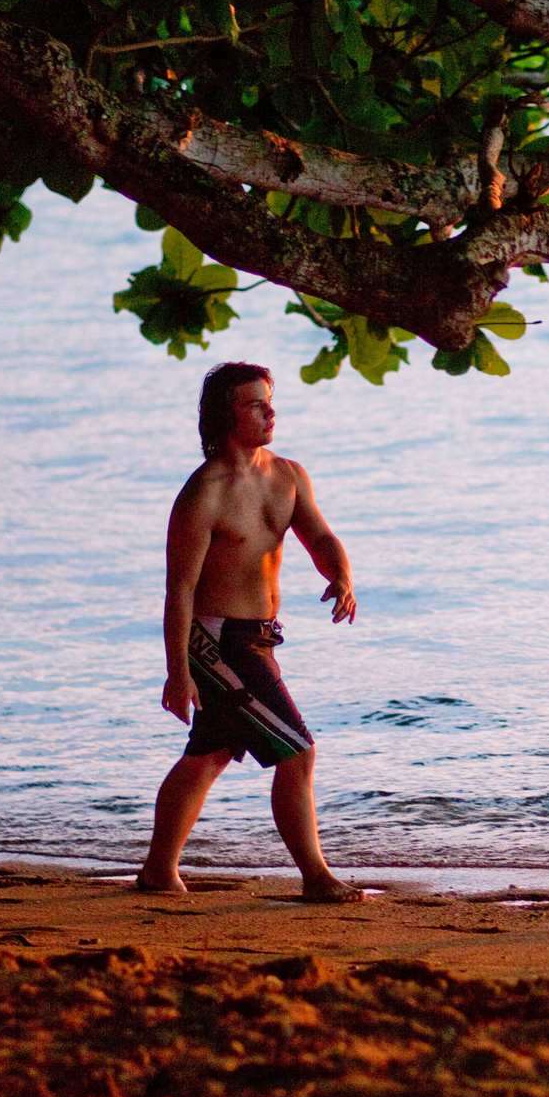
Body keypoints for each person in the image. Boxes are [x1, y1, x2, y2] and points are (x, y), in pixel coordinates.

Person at [136, 361, 362, 903]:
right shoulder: (204, 492)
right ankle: (316, 877)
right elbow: (180, 591)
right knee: (297, 752)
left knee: (211, 753)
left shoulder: (287, 475)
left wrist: (342, 574)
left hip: (259, 637)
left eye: (270, 401)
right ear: (225, 415)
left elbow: (320, 536)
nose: (271, 412)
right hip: (215, 641)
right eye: (255, 404)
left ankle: (157, 871)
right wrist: (178, 671)